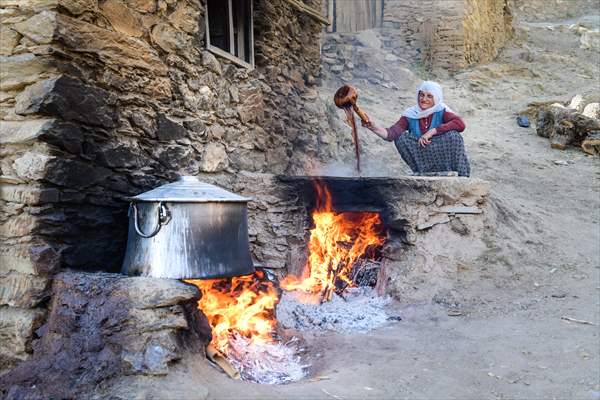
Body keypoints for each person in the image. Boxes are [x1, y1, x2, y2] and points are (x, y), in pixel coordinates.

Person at [362, 81, 470, 177]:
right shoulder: (411, 114)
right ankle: (423, 172)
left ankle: (459, 174)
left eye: (429, 96)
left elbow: (460, 124)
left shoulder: (442, 110)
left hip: (442, 154)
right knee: (401, 138)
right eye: (421, 95)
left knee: (454, 136)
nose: (424, 99)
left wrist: (432, 131)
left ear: (436, 98)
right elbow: (391, 134)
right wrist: (374, 126)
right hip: (423, 155)